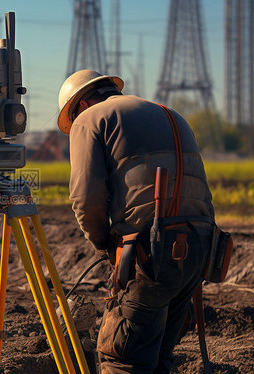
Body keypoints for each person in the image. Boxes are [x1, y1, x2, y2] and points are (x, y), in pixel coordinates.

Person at [57, 69, 214, 373]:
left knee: (124, 359)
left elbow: (85, 197)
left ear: (81, 105)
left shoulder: (90, 119)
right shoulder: (172, 114)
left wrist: (103, 245)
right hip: (201, 247)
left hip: (151, 251)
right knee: (157, 360)